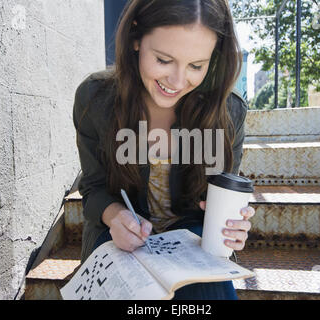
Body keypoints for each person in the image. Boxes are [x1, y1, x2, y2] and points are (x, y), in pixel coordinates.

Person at [73, 0, 255, 300]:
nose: (178, 81)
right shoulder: (95, 99)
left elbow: (223, 193)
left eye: (197, 65)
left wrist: (231, 223)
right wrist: (115, 216)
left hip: (191, 237)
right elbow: (93, 188)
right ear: (135, 38)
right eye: (163, 59)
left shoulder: (228, 111)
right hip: (117, 235)